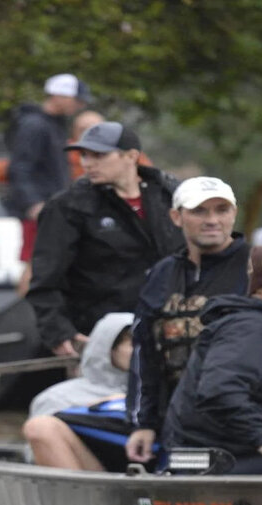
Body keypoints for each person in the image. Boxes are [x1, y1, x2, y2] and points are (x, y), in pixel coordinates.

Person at [27, 120, 184, 358]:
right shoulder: (67, 206)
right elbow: (45, 279)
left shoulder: (169, 195)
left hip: (169, 333)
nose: (88, 163)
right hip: (101, 339)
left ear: (131, 156)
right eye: (84, 155)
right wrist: (58, 332)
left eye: (99, 155)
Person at [125, 177, 249, 466]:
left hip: (249, 422)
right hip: (179, 421)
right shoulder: (161, 274)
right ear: (176, 217)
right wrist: (142, 422)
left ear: (234, 213)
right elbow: (144, 352)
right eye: (199, 211)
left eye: (222, 210)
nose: (212, 220)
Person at [160, 245, 262, 474]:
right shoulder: (251, 327)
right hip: (224, 454)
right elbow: (219, 389)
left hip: (241, 445)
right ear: (258, 289)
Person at [22, 312, 135, 471]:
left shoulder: (163, 394)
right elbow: (36, 454)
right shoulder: (58, 398)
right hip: (93, 479)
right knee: (40, 427)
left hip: (152, 476)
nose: (143, 352)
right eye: (133, 344)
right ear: (109, 348)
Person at [8, 74, 91, 269]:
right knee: (36, 264)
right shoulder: (35, 125)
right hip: (39, 210)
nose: (79, 106)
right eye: (76, 100)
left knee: (52, 263)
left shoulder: (54, 125)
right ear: (58, 96)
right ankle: (27, 300)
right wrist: (33, 204)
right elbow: (20, 167)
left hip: (53, 206)